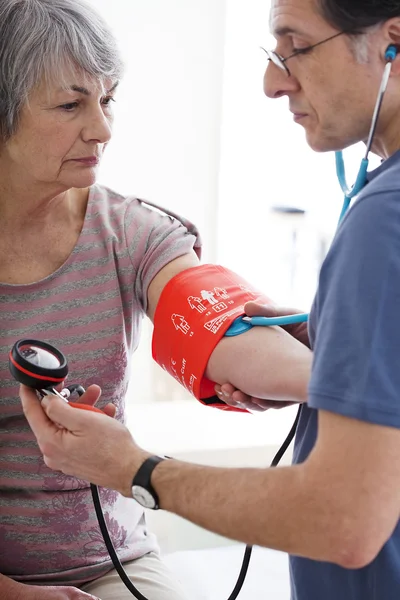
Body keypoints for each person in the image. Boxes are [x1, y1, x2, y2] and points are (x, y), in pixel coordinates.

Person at [20, 1, 400, 599]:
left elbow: (223, 334)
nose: (103, 129)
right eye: (70, 105)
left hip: (105, 561)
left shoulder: (132, 231)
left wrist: (339, 374)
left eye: (107, 100)